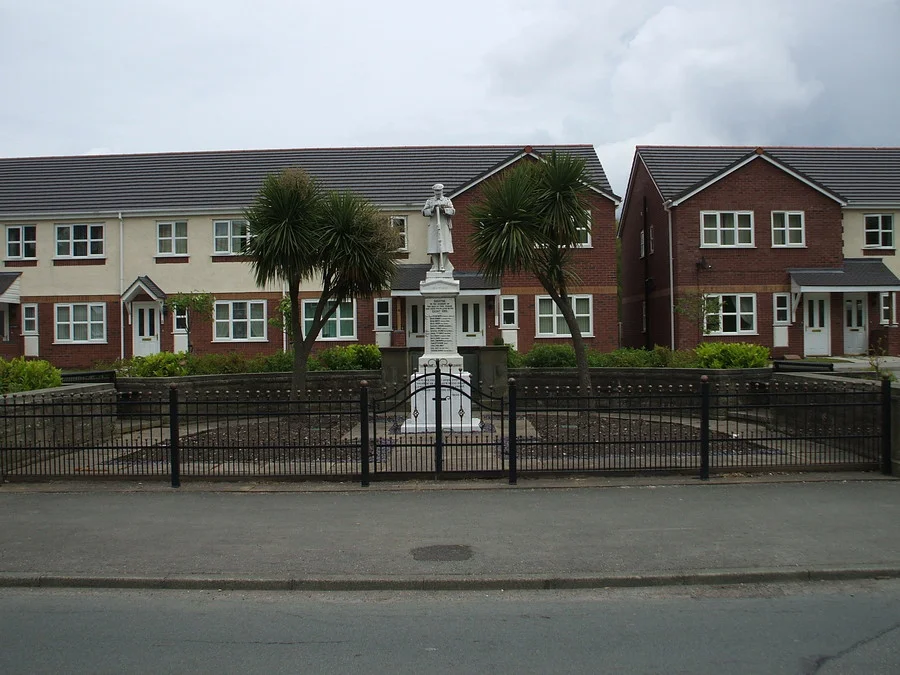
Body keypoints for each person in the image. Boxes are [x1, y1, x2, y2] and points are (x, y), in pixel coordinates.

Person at [422, 183, 455, 272]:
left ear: (442, 190)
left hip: (444, 225)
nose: (438, 192)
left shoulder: (447, 200)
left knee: (444, 246)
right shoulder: (430, 201)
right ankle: (435, 266)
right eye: (436, 191)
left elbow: (453, 211)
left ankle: (443, 265)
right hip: (433, 225)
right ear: (434, 191)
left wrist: (443, 210)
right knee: (433, 246)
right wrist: (432, 209)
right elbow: (424, 212)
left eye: (439, 190)